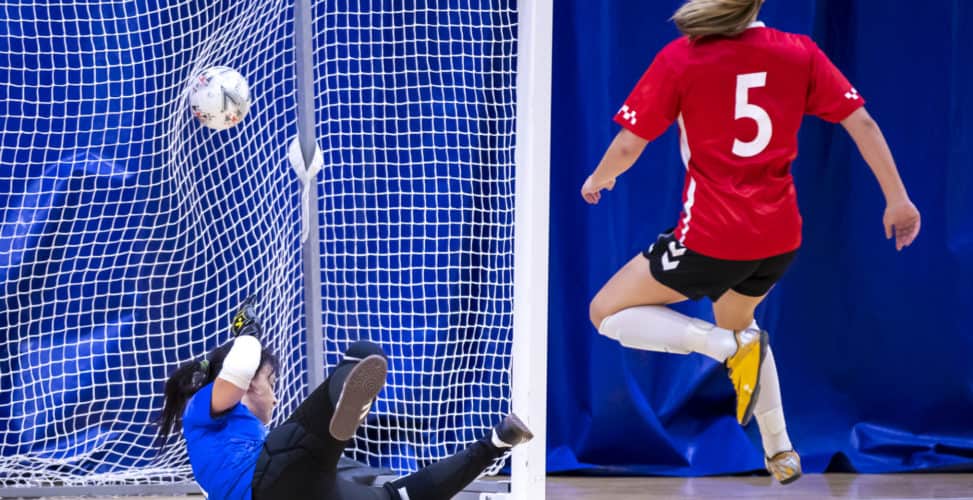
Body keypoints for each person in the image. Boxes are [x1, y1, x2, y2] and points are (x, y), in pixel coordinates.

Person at [581, 0, 920, 484]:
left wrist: (600, 177)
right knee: (745, 327)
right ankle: (780, 448)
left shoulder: (682, 57)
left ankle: (723, 347)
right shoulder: (799, 51)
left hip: (710, 236)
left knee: (605, 312)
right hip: (777, 239)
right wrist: (898, 199)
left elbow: (630, 143)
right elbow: (861, 122)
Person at [158, 300, 533, 500]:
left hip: (302, 488)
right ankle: (342, 407)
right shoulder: (202, 410)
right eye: (270, 382)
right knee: (364, 354)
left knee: (397, 497)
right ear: (249, 386)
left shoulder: (239, 436)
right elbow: (240, 366)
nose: (275, 395)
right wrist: (248, 333)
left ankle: (495, 444)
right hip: (272, 480)